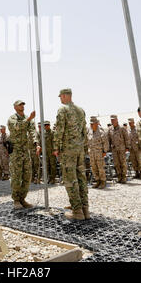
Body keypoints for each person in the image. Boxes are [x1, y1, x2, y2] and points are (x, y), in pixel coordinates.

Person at [53, 88, 89, 220]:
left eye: (60, 97)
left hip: (68, 150)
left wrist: (56, 147)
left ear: (64, 96)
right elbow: (84, 131)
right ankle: (85, 209)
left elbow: (59, 130)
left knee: (70, 180)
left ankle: (77, 212)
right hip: (79, 149)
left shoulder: (63, 110)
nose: (60, 99)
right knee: (81, 178)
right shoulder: (80, 110)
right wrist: (82, 146)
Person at [7, 100, 40, 209]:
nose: (22, 106)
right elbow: (17, 127)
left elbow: (32, 131)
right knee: (16, 175)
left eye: (23, 104)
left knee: (27, 175)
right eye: (20, 104)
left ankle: (22, 199)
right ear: (15, 107)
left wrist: (36, 143)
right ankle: (16, 200)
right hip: (16, 151)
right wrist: (29, 118)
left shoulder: (28, 118)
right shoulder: (12, 118)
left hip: (25, 150)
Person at [108, 115, 130, 184]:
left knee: (123, 163)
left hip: (122, 149)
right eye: (111, 120)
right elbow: (109, 139)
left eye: (114, 120)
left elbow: (126, 138)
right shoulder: (110, 129)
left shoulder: (122, 128)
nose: (113, 121)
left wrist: (127, 147)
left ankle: (124, 177)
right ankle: (119, 177)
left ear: (117, 120)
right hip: (114, 150)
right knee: (116, 164)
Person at [88, 117, 109, 188]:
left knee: (100, 168)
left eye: (92, 124)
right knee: (94, 168)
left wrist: (104, 151)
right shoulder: (89, 131)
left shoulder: (101, 132)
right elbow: (88, 141)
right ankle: (97, 181)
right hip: (92, 153)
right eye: (90, 124)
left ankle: (103, 181)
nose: (91, 125)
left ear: (96, 124)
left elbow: (105, 142)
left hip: (99, 153)